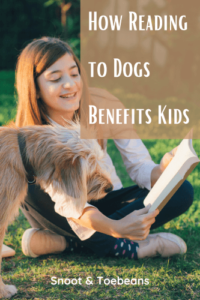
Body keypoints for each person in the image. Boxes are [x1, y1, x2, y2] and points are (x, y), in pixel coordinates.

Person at [15, 37, 194, 260]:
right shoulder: (33, 137)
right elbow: (71, 206)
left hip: (105, 201)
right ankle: (130, 247)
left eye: (74, 73)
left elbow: (139, 166)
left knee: (181, 189)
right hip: (60, 214)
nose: (70, 84)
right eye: (55, 78)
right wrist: (116, 228)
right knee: (27, 180)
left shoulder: (103, 104)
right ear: (36, 89)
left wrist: (165, 168)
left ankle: (67, 244)